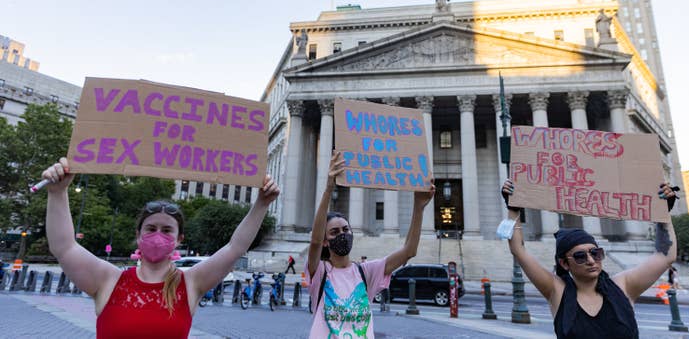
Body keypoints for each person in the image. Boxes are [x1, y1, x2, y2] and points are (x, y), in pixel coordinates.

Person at [42, 157, 279, 339]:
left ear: (179, 239)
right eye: (151, 228)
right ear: (138, 235)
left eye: (167, 231)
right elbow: (64, 247)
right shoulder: (108, 280)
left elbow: (234, 248)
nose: (158, 236)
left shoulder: (190, 283)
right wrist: (57, 192)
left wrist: (261, 204)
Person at [501, 179, 678, 339]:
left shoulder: (623, 285)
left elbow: (665, 256)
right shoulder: (557, 291)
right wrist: (513, 208)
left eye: (595, 253)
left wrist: (663, 213)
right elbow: (519, 250)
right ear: (564, 263)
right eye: (580, 256)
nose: (591, 261)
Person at [306, 151, 435, 339]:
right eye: (334, 232)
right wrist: (328, 188)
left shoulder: (365, 273)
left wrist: (419, 207)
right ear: (326, 241)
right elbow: (315, 241)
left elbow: (409, 251)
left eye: (346, 229)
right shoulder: (319, 271)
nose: (342, 234)